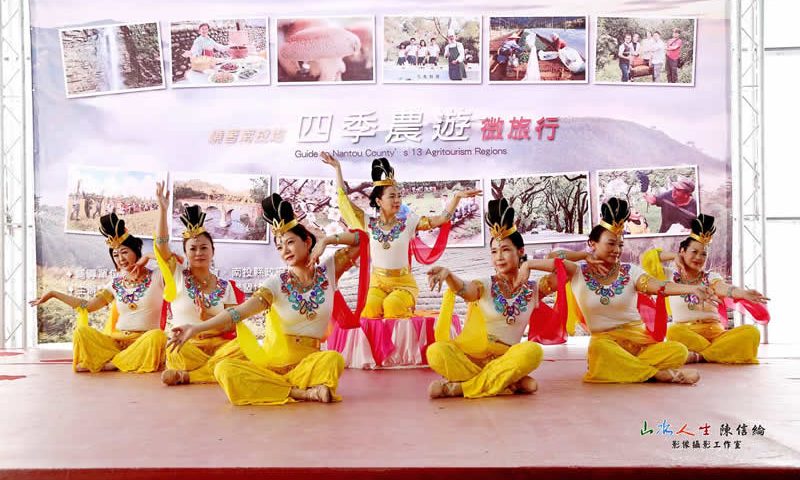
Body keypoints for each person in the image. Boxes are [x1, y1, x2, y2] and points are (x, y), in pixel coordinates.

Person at [168, 193, 366, 404]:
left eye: (290, 242)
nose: (285, 250)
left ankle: (276, 389)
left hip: (308, 363)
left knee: (333, 359)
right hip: (272, 366)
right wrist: (196, 328)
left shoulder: (328, 272)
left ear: (307, 241)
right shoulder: (276, 284)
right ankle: (301, 392)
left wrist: (326, 240)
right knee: (225, 369)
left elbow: (361, 240)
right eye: (279, 246)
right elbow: (238, 312)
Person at [534, 198, 718, 384]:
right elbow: (553, 257)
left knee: (678, 351)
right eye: (611, 243)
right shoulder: (577, 271)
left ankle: (622, 368)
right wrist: (584, 255)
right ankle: (659, 374)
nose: (616, 250)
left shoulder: (630, 271)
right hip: (606, 342)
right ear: (592, 243)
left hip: (640, 342)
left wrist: (692, 288)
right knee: (600, 349)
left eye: (620, 245)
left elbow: (661, 287)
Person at [321, 152, 480, 366]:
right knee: (369, 309)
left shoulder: (409, 222)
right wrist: (338, 169)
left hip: (403, 284)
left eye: (399, 196)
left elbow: (440, 219)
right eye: (392, 196)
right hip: (377, 283)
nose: (397, 200)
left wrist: (457, 197)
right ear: (379, 201)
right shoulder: (368, 224)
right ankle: (374, 355)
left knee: (393, 306)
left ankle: (399, 354)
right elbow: (345, 203)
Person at [424, 198, 546, 399]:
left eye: (505, 250)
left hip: (506, 359)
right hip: (472, 359)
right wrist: (449, 275)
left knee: (532, 351)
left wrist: (530, 264)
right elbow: (465, 290)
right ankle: (506, 382)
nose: (499, 257)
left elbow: (566, 271)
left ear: (520, 251)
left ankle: (463, 387)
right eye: (494, 251)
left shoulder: (534, 289)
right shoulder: (484, 285)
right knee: (436, 351)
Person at [30, 214, 167, 373]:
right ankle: (122, 360)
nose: (120, 259)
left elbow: (171, 260)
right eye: (115, 255)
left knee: (157, 337)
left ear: (136, 252)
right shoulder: (115, 284)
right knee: (82, 332)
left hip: (144, 343)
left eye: (124, 252)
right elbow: (87, 306)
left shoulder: (158, 276)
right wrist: (54, 294)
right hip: (116, 344)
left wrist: (148, 256)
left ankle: (114, 363)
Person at [640, 214, 768, 364]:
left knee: (751, 332)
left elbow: (723, 288)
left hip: (716, 334)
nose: (699, 257)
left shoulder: (710, 277)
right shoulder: (668, 276)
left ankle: (701, 356)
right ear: (682, 251)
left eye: (703, 254)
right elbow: (646, 259)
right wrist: (674, 256)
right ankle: (719, 353)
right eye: (694, 252)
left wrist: (743, 293)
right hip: (686, 333)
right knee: (673, 331)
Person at [152, 182, 245, 386]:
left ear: (213, 251)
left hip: (218, 346)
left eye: (204, 248)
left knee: (241, 347)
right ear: (185, 253)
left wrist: (207, 317)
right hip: (187, 345)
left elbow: (231, 324)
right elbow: (161, 246)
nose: (199, 253)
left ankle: (189, 376)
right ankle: (214, 371)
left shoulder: (225, 286)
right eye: (193, 249)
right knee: (174, 349)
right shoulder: (177, 274)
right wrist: (163, 210)